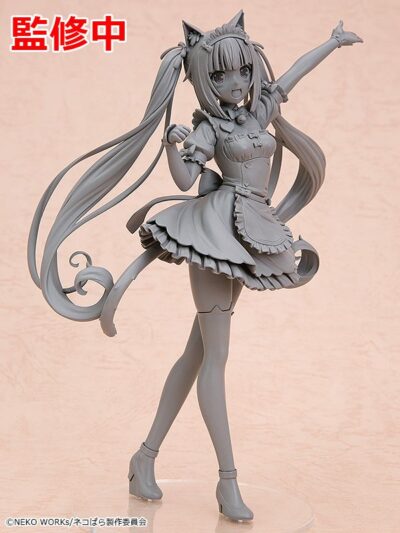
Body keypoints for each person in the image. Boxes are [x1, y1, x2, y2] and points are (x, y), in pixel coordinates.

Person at [28, 10, 362, 521]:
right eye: (222, 75)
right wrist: (172, 144)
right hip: (213, 237)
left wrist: (331, 43)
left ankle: (144, 459)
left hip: (250, 234)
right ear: (205, 80)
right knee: (216, 358)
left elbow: (291, 75)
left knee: (197, 354)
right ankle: (227, 482)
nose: (237, 83)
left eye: (244, 71)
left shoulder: (259, 111)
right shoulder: (209, 126)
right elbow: (186, 179)